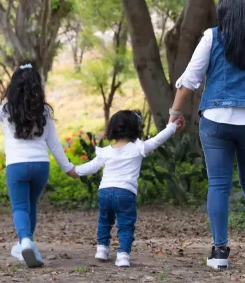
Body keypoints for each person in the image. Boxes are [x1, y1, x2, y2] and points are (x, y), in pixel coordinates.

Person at [169, 0, 245, 269]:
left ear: (224, 15)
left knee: (219, 186)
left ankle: (220, 252)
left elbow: (191, 79)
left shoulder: (212, 37)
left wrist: (175, 112)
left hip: (216, 120)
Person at [0, 63, 75, 268]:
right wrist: (68, 167)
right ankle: (26, 244)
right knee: (30, 205)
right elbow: (54, 143)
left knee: (20, 207)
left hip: (17, 166)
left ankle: (25, 241)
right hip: (40, 166)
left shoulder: (5, 110)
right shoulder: (43, 111)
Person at [68, 110, 179, 267]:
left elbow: (90, 167)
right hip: (125, 193)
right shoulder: (137, 148)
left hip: (105, 192)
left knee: (104, 220)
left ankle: (102, 249)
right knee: (126, 224)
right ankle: (123, 255)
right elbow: (157, 140)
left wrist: (75, 171)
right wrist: (172, 126)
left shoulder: (105, 152)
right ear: (135, 129)